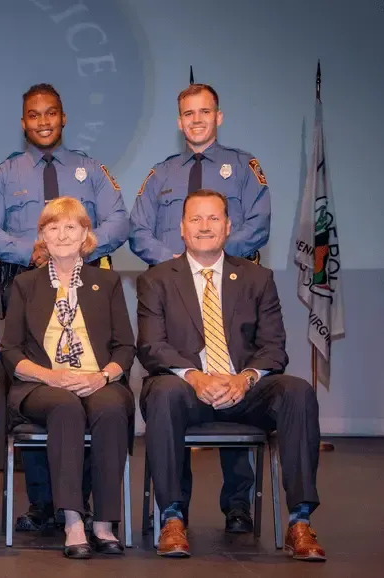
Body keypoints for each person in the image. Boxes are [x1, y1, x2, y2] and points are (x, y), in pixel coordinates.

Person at [137, 189, 325, 561]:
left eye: (213, 219)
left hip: (245, 390)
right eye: (196, 219)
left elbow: (274, 347)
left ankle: (299, 521)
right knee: (163, 392)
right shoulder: (156, 279)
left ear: (228, 226)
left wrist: (245, 379)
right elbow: (152, 346)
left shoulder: (257, 278)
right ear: (182, 228)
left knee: (298, 391)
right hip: (185, 389)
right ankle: (173, 518)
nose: (204, 227)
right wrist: (195, 377)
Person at [0, 82, 129, 530]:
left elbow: (119, 218)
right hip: (27, 284)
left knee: (86, 386)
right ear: (23, 122)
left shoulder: (91, 170)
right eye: (34, 114)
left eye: (51, 113)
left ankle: (83, 501)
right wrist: (33, 248)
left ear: (63, 118)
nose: (43, 121)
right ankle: (42, 503)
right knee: (42, 386)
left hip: (82, 284)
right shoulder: (4, 173)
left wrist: (78, 247)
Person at [129, 84, 271, 532]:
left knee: (233, 377)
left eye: (204, 112)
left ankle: (238, 504)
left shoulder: (244, 167)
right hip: (178, 292)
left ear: (218, 116)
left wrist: (214, 252)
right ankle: (176, 509)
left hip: (230, 287)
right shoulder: (161, 174)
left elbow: (258, 222)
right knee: (177, 390)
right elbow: (138, 228)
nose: (196, 120)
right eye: (188, 114)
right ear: (178, 121)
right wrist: (181, 260)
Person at [1, 197, 134, 559]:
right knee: (65, 408)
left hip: (97, 379)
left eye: (71, 227)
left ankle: (104, 522)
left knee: (109, 410)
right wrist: (51, 376)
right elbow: (10, 350)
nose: (62, 234)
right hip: (41, 384)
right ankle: (73, 519)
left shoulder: (106, 282)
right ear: (42, 235)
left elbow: (125, 347)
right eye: (53, 227)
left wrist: (102, 377)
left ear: (85, 234)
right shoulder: (25, 284)